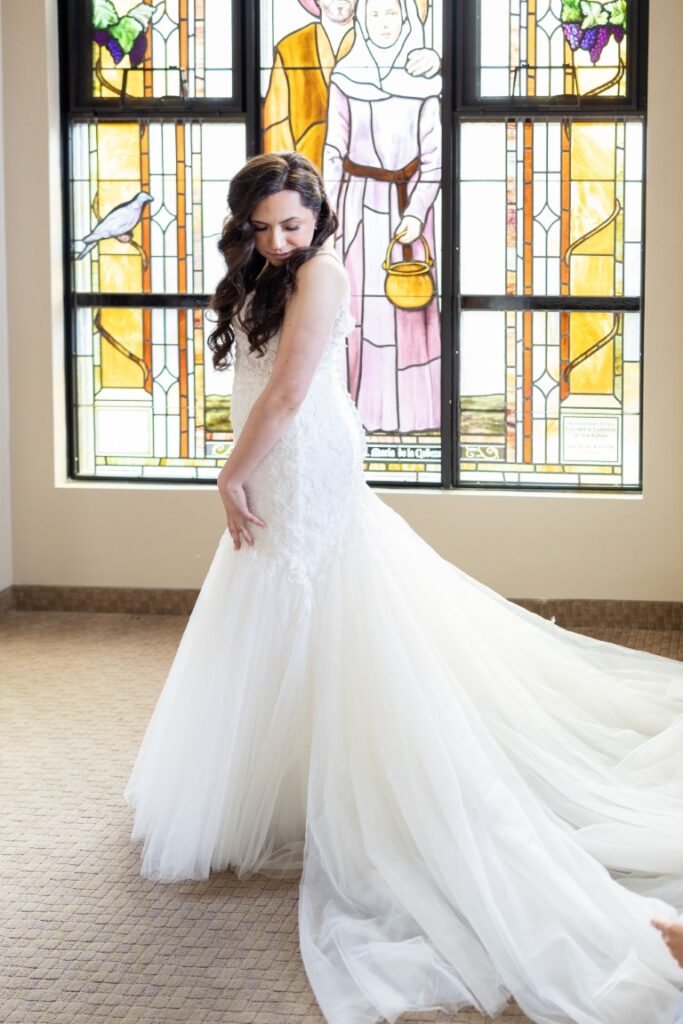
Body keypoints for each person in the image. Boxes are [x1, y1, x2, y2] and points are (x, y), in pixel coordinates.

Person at [124, 151, 683, 1024]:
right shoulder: (267, 272)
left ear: (319, 221)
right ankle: (280, 778)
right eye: (261, 227)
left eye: (292, 226)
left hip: (299, 455)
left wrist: (229, 474)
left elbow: (291, 390)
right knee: (266, 593)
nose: (276, 241)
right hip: (278, 456)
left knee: (323, 596)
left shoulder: (327, 272)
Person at [323, 0, 442, 432]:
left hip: (409, 207)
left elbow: (434, 160)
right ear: (363, 20)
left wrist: (415, 213)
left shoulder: (426, 80)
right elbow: (333, 152)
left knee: (409, 308)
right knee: (361, 309)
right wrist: (327, 221)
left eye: (392, 13)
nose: (384, 24)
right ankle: (360, 414)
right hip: (357, 210)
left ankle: (415, 414)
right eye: (374, 14)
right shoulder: (346, 77)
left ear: (406, 16)